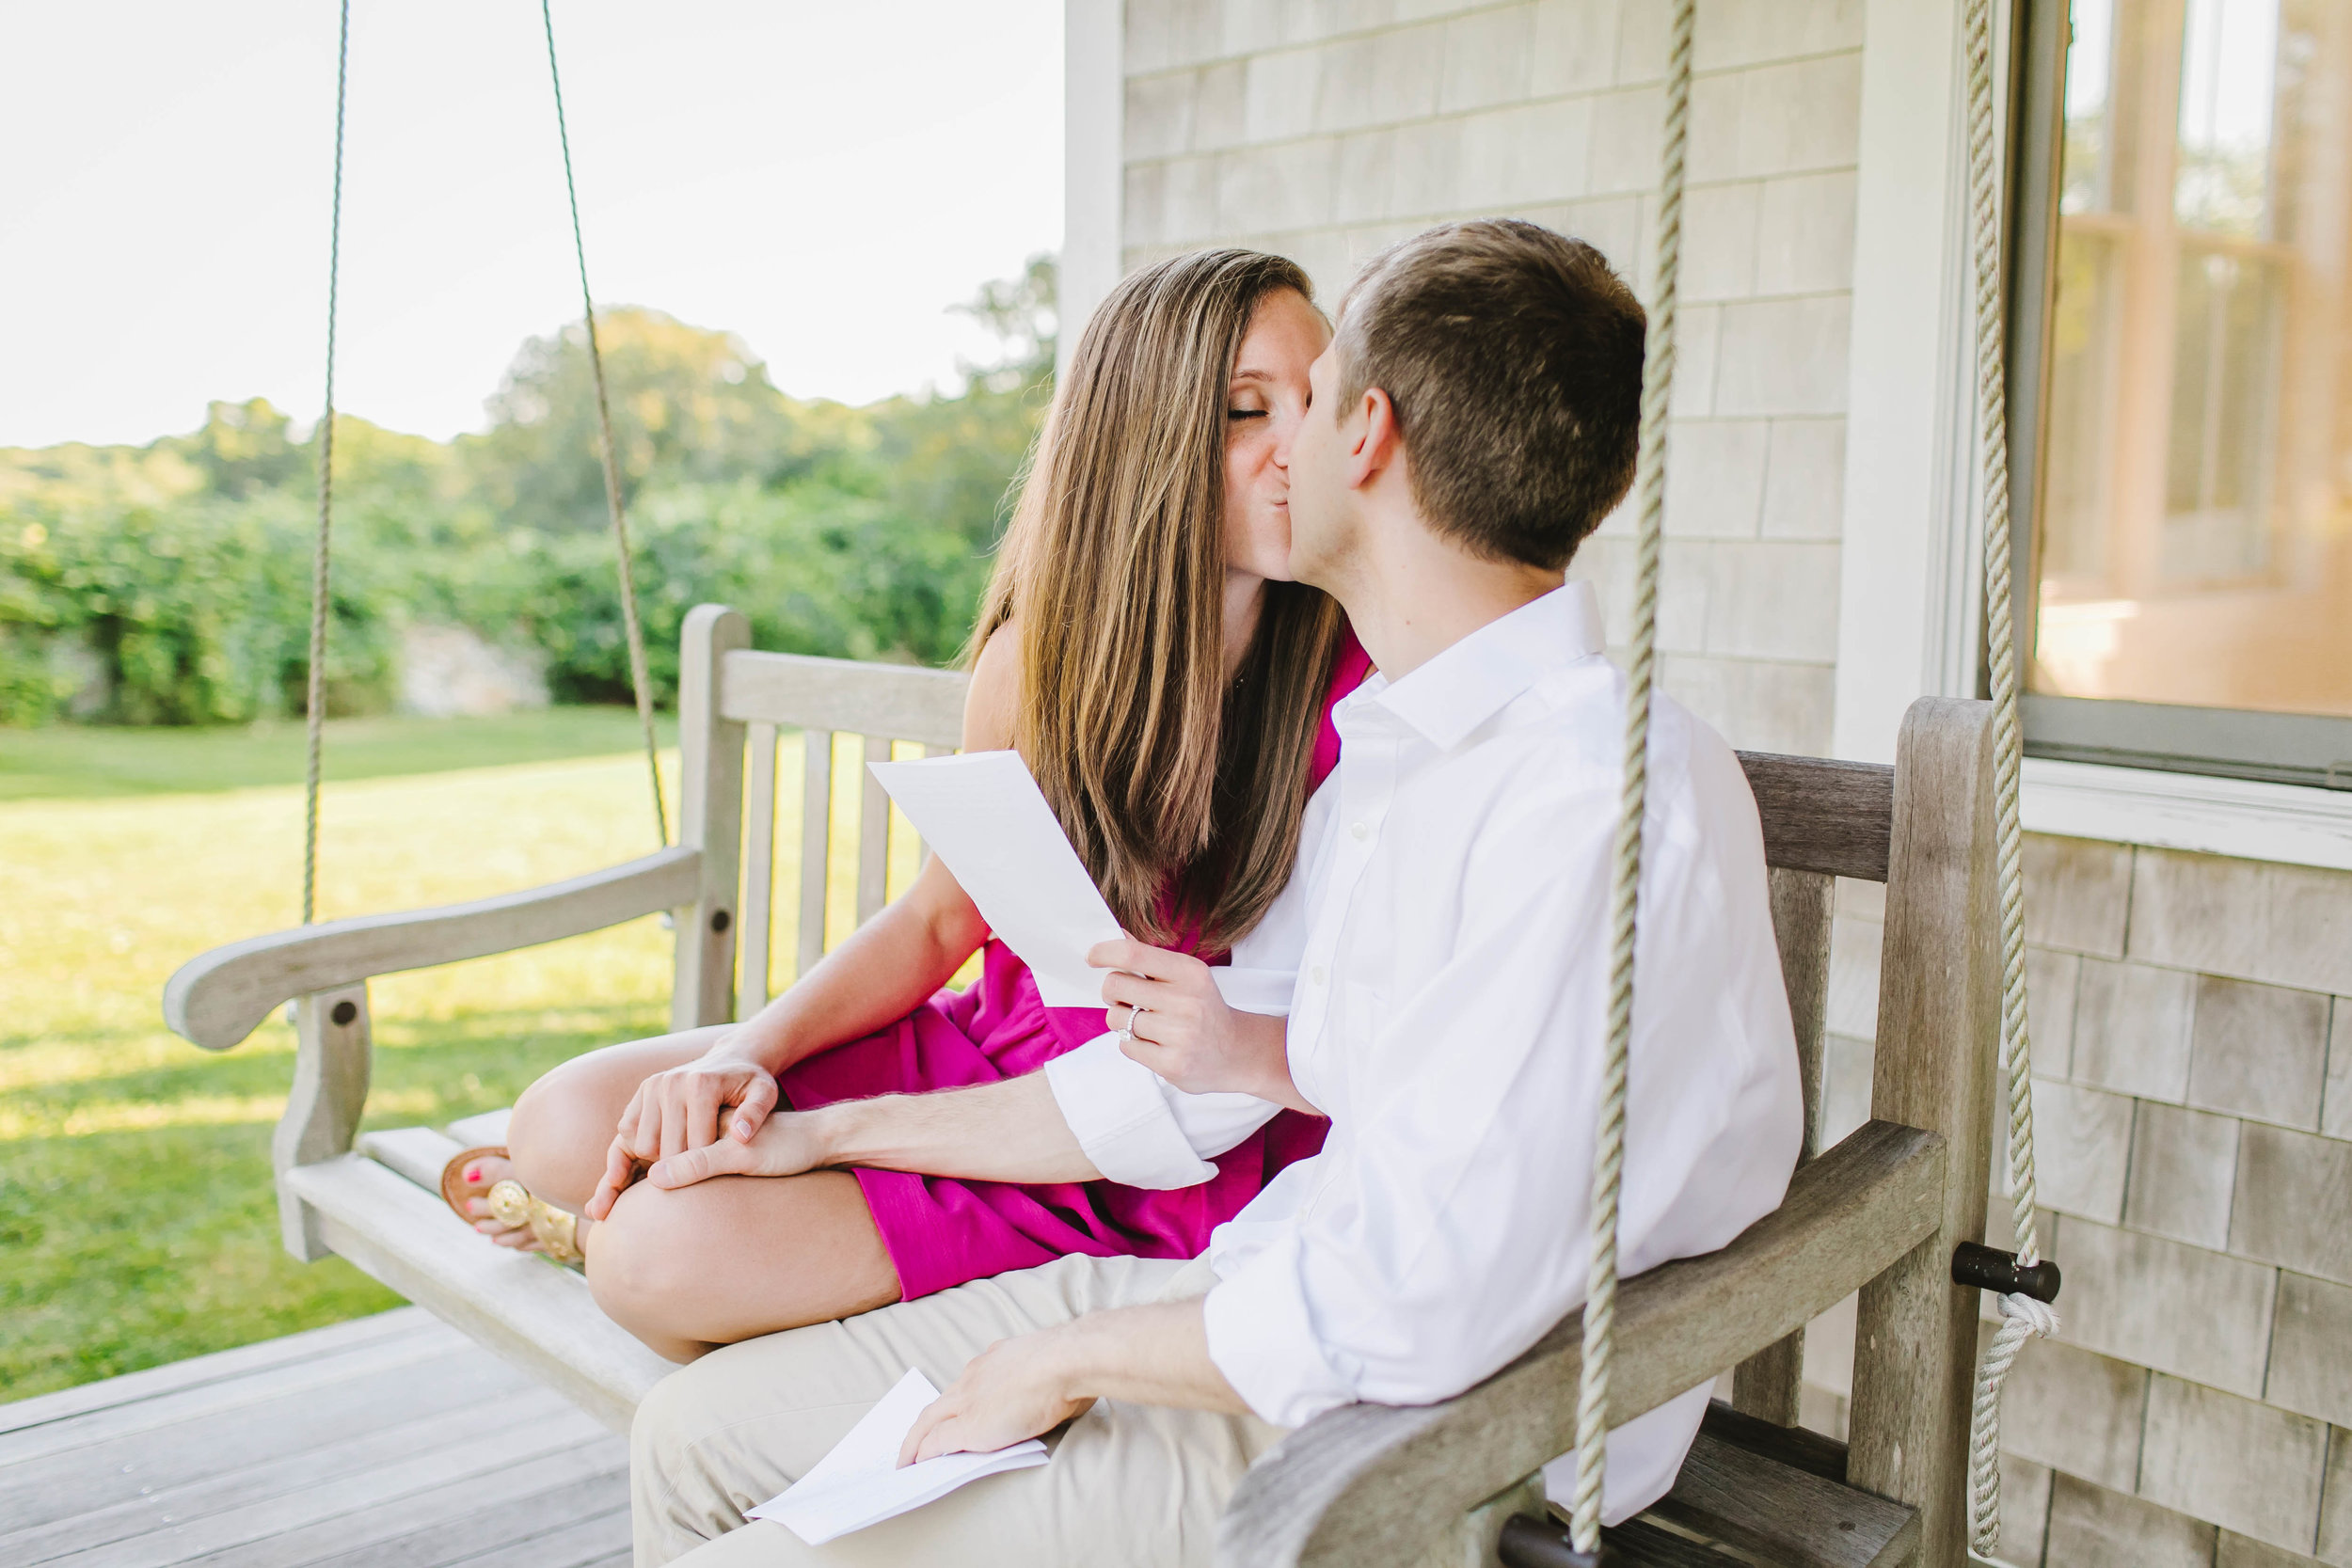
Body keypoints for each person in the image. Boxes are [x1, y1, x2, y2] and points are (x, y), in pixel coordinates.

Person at [625, 218, 1805, 1568]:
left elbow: (1408, 1305)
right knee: (688, 1434)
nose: (1280, 435)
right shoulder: (1401, 757)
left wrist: (1060, 1357)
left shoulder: (1587, 795)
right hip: (1260, 1290)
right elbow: (1205, 1073)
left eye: (1306, 398)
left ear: (1363, 436)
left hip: (1413, 1429)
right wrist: (829, 1134)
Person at [437, 247, 1374, 1362]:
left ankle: (670, 1241)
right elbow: (943, 918)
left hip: (1156, 1137)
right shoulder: (1043, 663)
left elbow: (1261, 1046)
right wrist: (742, 1056)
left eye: (1315, 400)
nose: (1295, 447)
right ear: (1142, 438)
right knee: (565, 1119)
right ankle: (692, 1214)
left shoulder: (1361, 679)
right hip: (999, 1050)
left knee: (653, 1256)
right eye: (1242, 409)